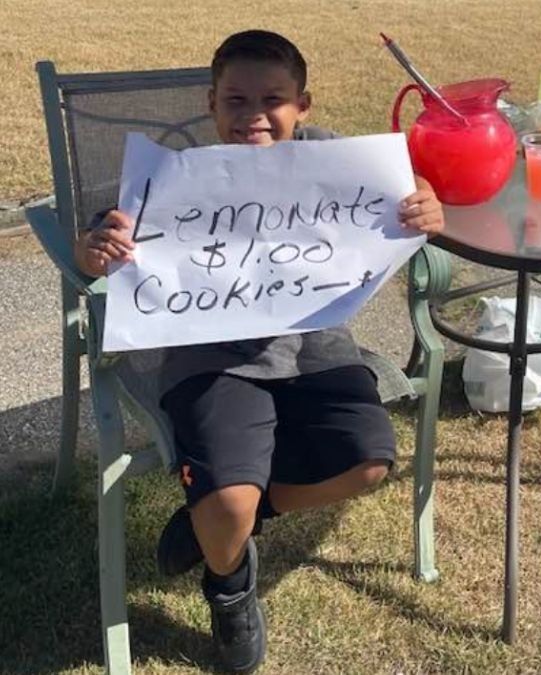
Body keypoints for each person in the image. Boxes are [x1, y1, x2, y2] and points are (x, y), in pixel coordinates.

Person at [73, 30, 445, 672]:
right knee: (226, 502)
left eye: (272, 99)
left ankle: (228, 521)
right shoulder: (175, 176)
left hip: (317, 350)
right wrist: (94, 252)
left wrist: (425, 211)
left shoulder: (335, 161)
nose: (253, 115)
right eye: (235, 99)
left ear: (303, 103)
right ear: (211, 103)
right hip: (209, 355)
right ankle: (230, 583)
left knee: (368, 462)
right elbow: (99, 244)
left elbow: (406, 211)